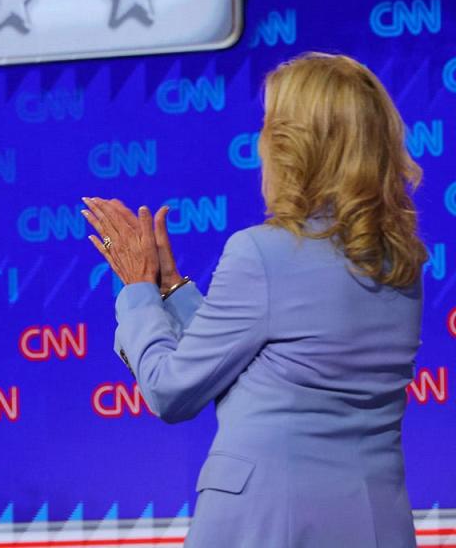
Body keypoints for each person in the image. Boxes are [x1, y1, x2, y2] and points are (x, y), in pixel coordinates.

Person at [82, 52, 425, 547]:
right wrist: (174, 290)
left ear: (294, 146)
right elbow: (272, 367)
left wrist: (137, 289)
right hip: (373, 525)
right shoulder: (399, 263)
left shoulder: (263, 253)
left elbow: (170, 391)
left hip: (269, 525)